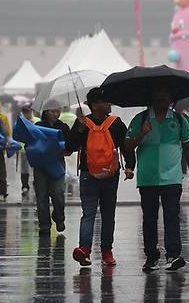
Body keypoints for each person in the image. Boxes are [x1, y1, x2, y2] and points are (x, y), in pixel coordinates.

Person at [125, 86, 189, 272]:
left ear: (171, 99)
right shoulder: (140, 119)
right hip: (147, 178)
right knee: (149, 218)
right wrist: (142, 133)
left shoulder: (180, 120)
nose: (162, 100)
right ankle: (151, 255)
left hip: (172, 177)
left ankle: (173, 254)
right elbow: (127, 146)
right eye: (158, 96)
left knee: (172, 216)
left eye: (165, 96)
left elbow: (187, 147)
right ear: (152, 99)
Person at [70, 88, 132, 267]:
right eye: (106, 101)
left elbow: (70, 146)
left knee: (88, 214)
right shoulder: (115, 123)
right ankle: (105, 252)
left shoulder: (88, 122)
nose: (109, 104)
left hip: (90, 174)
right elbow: (126, 146)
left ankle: (85, 249)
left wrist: (80, 128)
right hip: (108, 174)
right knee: (107, 214)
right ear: (95, 104)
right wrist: (128, 166)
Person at [35, 105, 72, 234]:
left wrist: (65, 150)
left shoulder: (63, 127)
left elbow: (70, 145)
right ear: (46, 111)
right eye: (53, 111)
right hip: (41, 165)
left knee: (58, 193)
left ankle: (59, 217)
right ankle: (44, 224)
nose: (56, 114)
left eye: (58, 111)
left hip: (57, 163)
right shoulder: (38, 125)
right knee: (42, 195)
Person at [19, 103, 39, 195]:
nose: (27, 113)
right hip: (24, 148)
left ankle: (37, 184)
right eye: (25, 112)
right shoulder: (20, 122)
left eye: (29, 111)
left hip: (36, 148)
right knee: (24, 168)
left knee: (36, 167)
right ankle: (25, 185)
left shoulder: (37, 121)